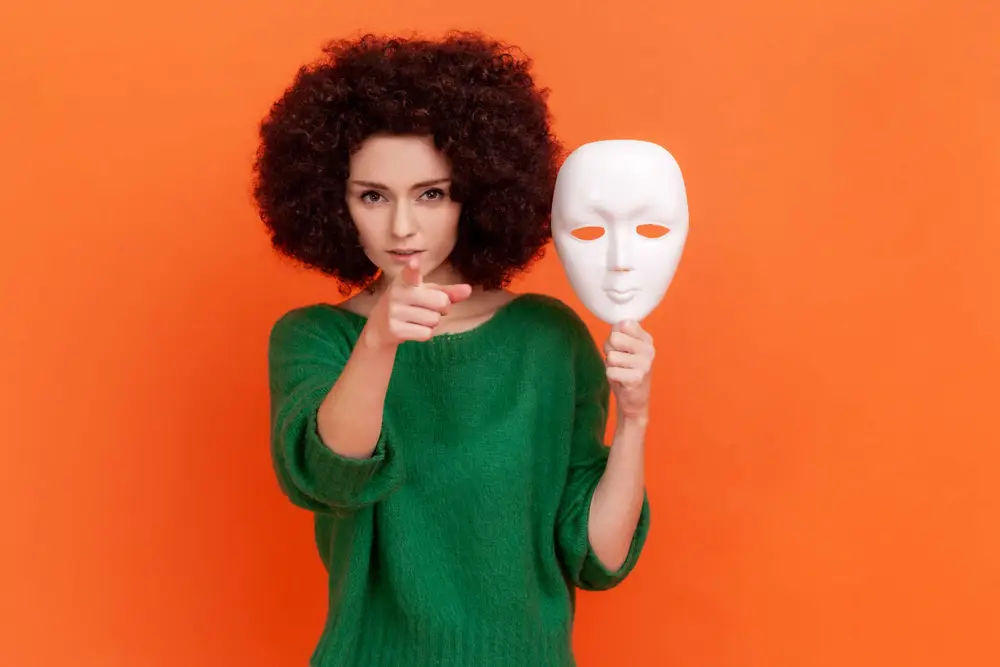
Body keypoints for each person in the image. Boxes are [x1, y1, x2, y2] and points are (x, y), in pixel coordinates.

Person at [252, 31, 654, 667]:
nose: (402, 226)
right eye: (373, 195)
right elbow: (330, 478)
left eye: (431, 194)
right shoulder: (315, 338)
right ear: (336, 202)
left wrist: (634, 420)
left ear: (477, 193)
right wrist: (380, 339)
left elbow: (595, 557)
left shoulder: (549, 339)